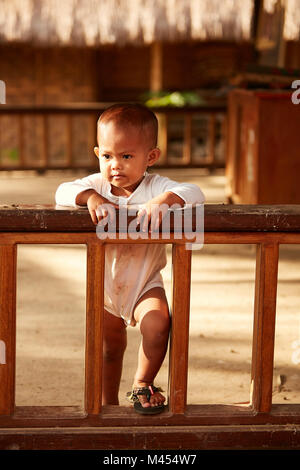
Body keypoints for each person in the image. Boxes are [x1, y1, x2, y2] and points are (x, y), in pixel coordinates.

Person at [55, 103, 205, 414]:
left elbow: (195, 193)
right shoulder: (96, 186)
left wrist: (166, 200)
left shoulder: (156, 187)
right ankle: (108, 402)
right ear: (97, 154)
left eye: (126, 156)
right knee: (109, 348)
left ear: (151, 157)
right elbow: (62, 192)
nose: (115, 165)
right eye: (107, 156)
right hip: (105, 286)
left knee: (158, 325)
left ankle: (142, 383)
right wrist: (90, 198)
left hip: (144, 284)